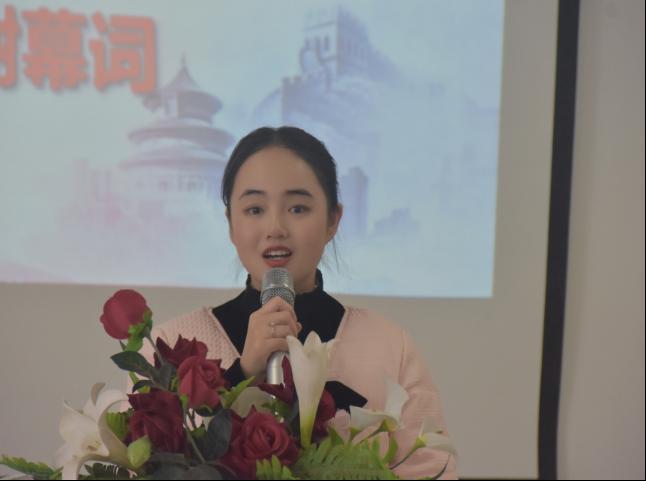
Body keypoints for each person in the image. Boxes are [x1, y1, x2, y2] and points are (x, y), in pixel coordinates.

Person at [139, 126, 458, 479]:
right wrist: (242, 374)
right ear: (231, 224)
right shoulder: (169, 349)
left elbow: (432, 470)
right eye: (255, 209)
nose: (275, 227)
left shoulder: (390, 346)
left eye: (297, 208)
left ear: (333, 219)